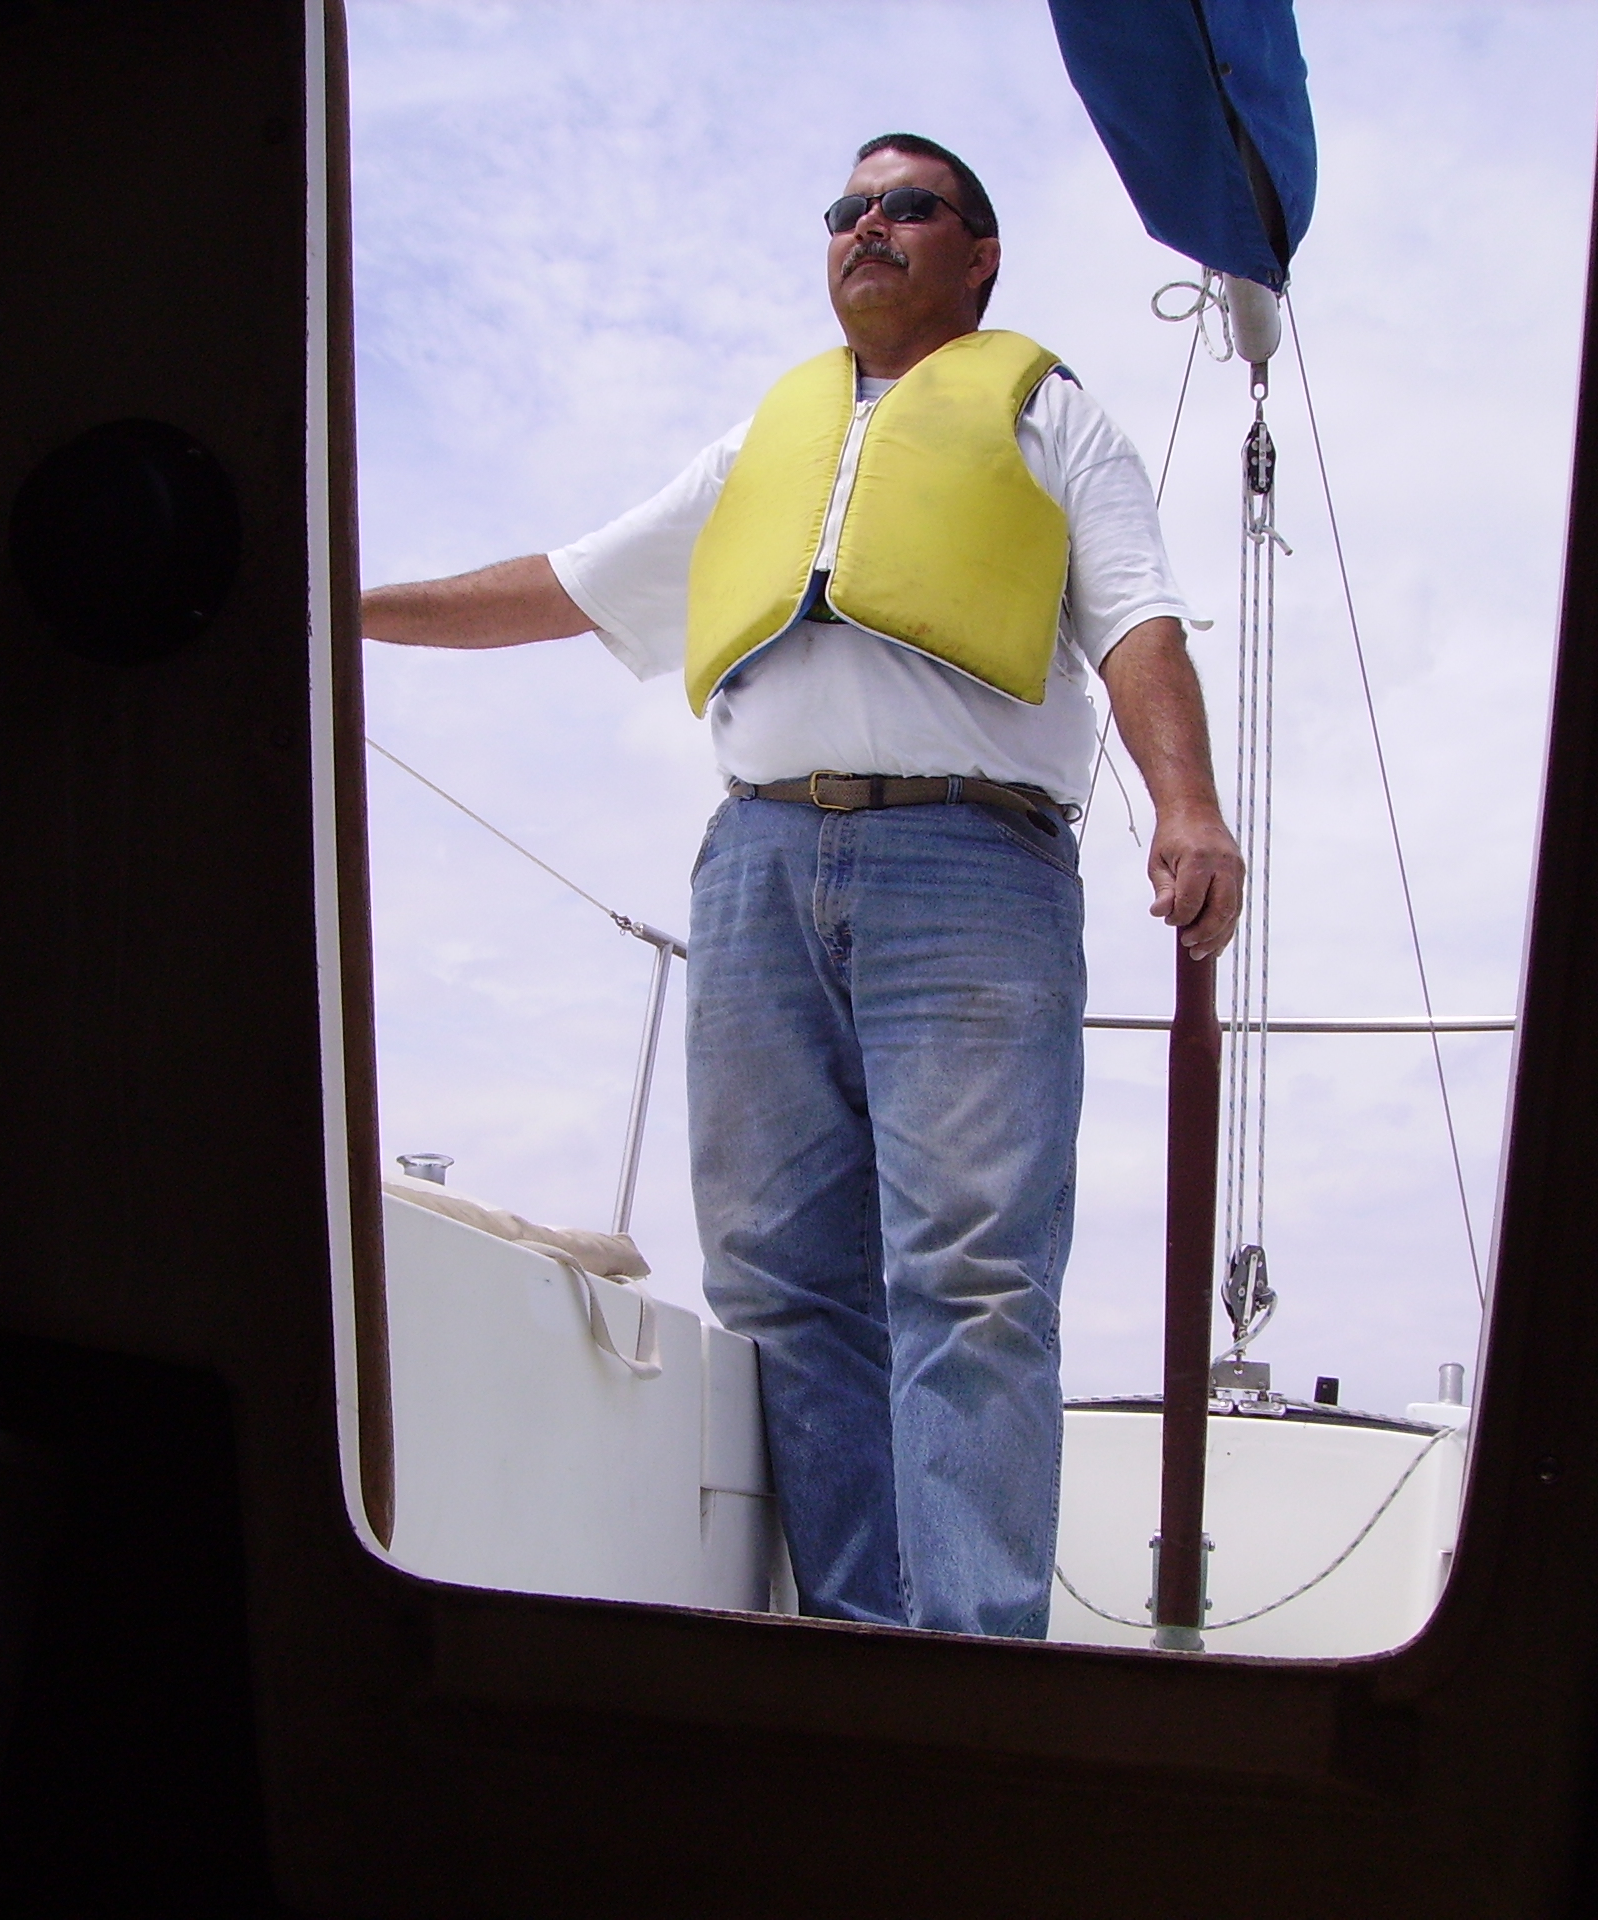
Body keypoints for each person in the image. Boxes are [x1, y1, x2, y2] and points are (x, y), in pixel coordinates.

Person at [362, 133, 1242, 1639]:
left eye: (909, 206)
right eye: (846, 208)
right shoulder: (762, 445)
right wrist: (343, 604)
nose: (868, 226)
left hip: (972, 867)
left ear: (979, 255)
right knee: (779, 1278)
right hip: (757, 867)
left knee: (971, 1272)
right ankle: (856, 1641)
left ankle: (975, 1664)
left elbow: (1138, 620)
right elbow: (565, 585)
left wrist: (1188, 806)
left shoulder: (1050, 414)